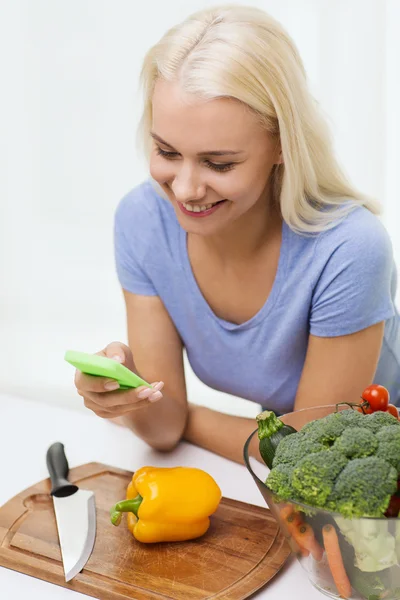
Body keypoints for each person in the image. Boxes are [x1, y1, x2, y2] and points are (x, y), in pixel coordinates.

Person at [75, 5, 400, 465]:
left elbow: (311, 453)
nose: (185, 190)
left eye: (219, 163)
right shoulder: (143, 221)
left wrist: (188, 415)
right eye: (167, 151)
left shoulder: (349, 249)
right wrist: (127, 392)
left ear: (283, 144)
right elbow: (163, 429)